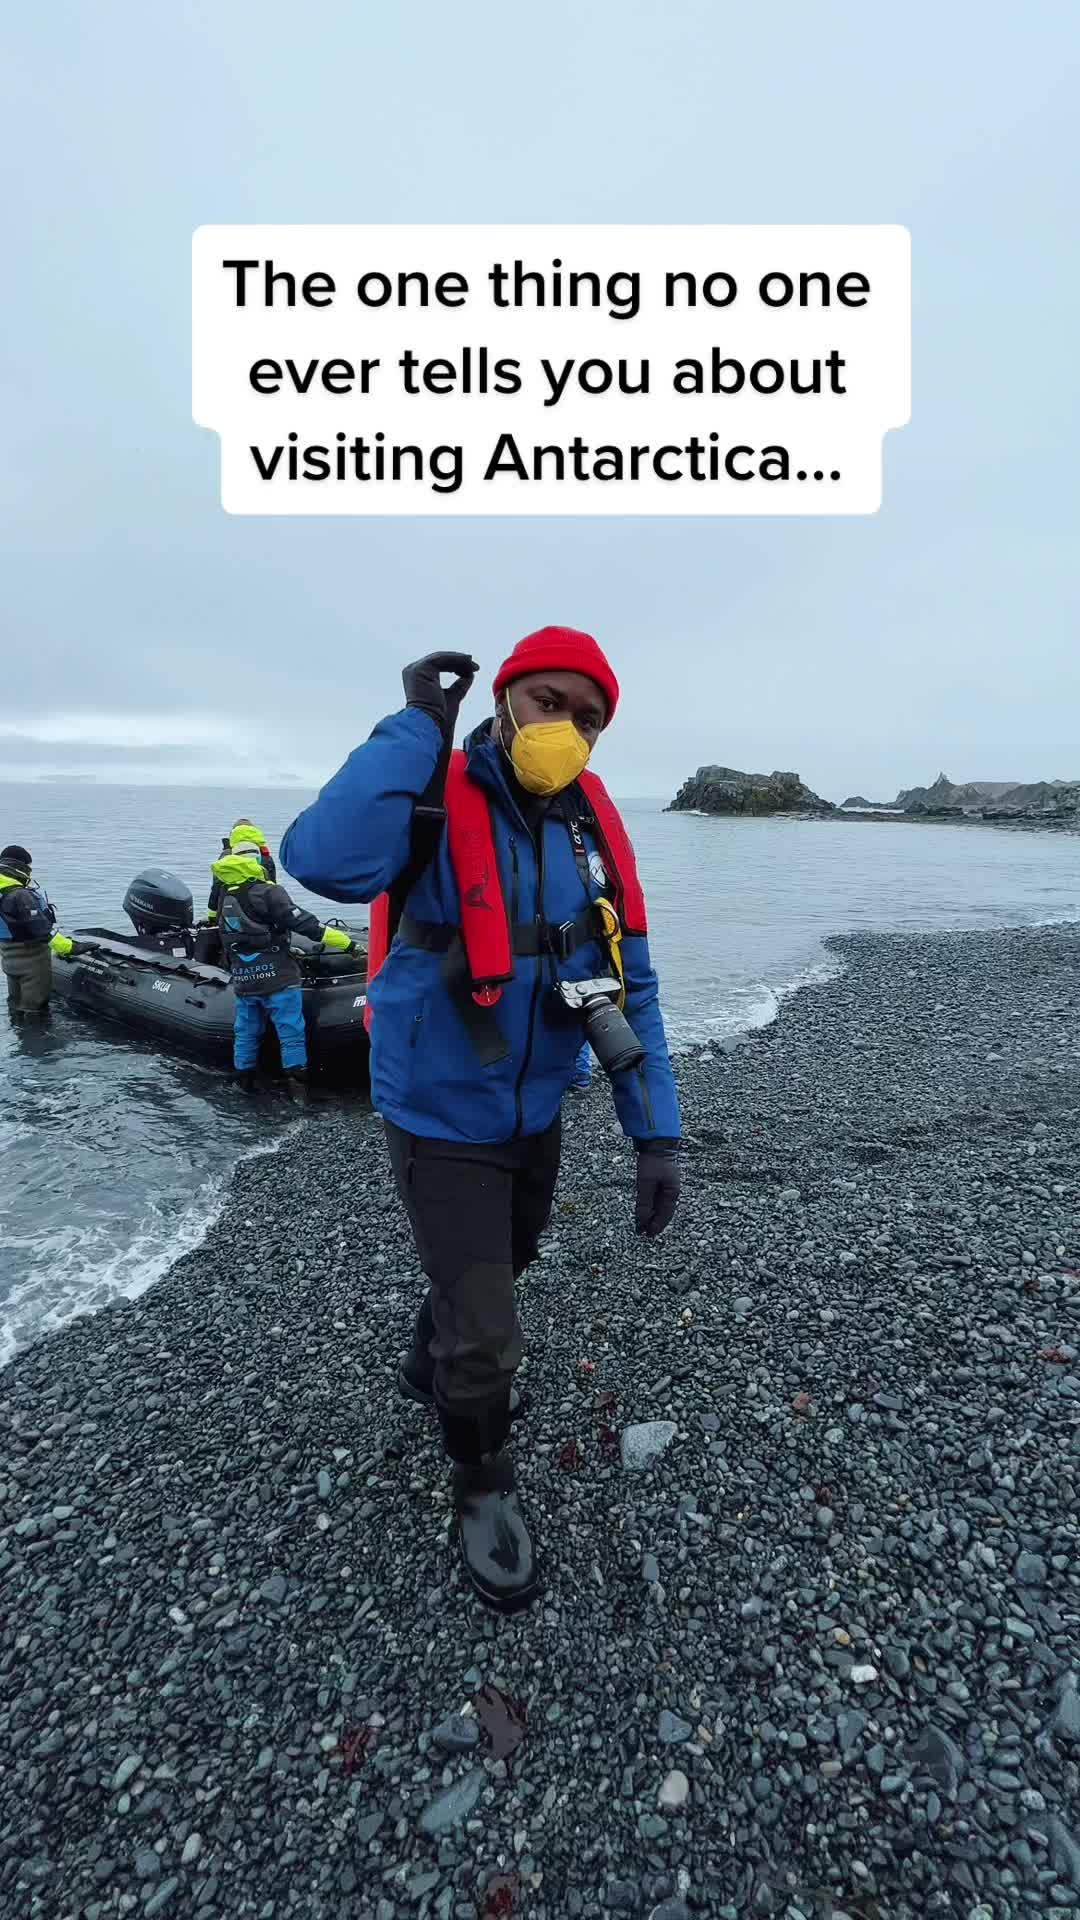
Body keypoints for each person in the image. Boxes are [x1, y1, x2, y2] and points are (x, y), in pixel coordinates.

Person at [281, 627, 681, 1612]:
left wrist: (656, 1133)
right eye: (549, 702)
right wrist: (417, 724)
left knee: (510, 1259)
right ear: (505, 699)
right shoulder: (431, 793)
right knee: (491, 1336)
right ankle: (481, 1480)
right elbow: (320, 858)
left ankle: (430, 1360)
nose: (567, 729)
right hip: (438, 1110)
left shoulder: (592, 829)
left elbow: (633, 981)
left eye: (589, 719)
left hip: (535, 1104)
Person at [210, 825, 359, 1100]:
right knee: (290, 1032)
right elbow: (308, 925)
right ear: (258, 860)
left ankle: (244, 1085)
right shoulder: (269, 892)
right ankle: (298, 1093)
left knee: (246, 1032)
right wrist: (349, 945)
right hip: (278, 979)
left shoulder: (225, 896)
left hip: (245, 979)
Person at [0, 845, 75, 1020]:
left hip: (9, 958)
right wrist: (71, 947)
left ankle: (18, 1031)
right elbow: (41, 930)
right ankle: (36, 1036)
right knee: (35, 1009)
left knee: (15, 1004)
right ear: (20, 866)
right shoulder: (20, 895)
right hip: (31, 961)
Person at [206, 817, 276, 924]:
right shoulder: (266, 857)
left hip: (229, 912)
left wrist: (212, 916)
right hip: (260, 913)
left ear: (233, 835)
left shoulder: (226, 856)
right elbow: (273, 888)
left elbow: (216, 886)